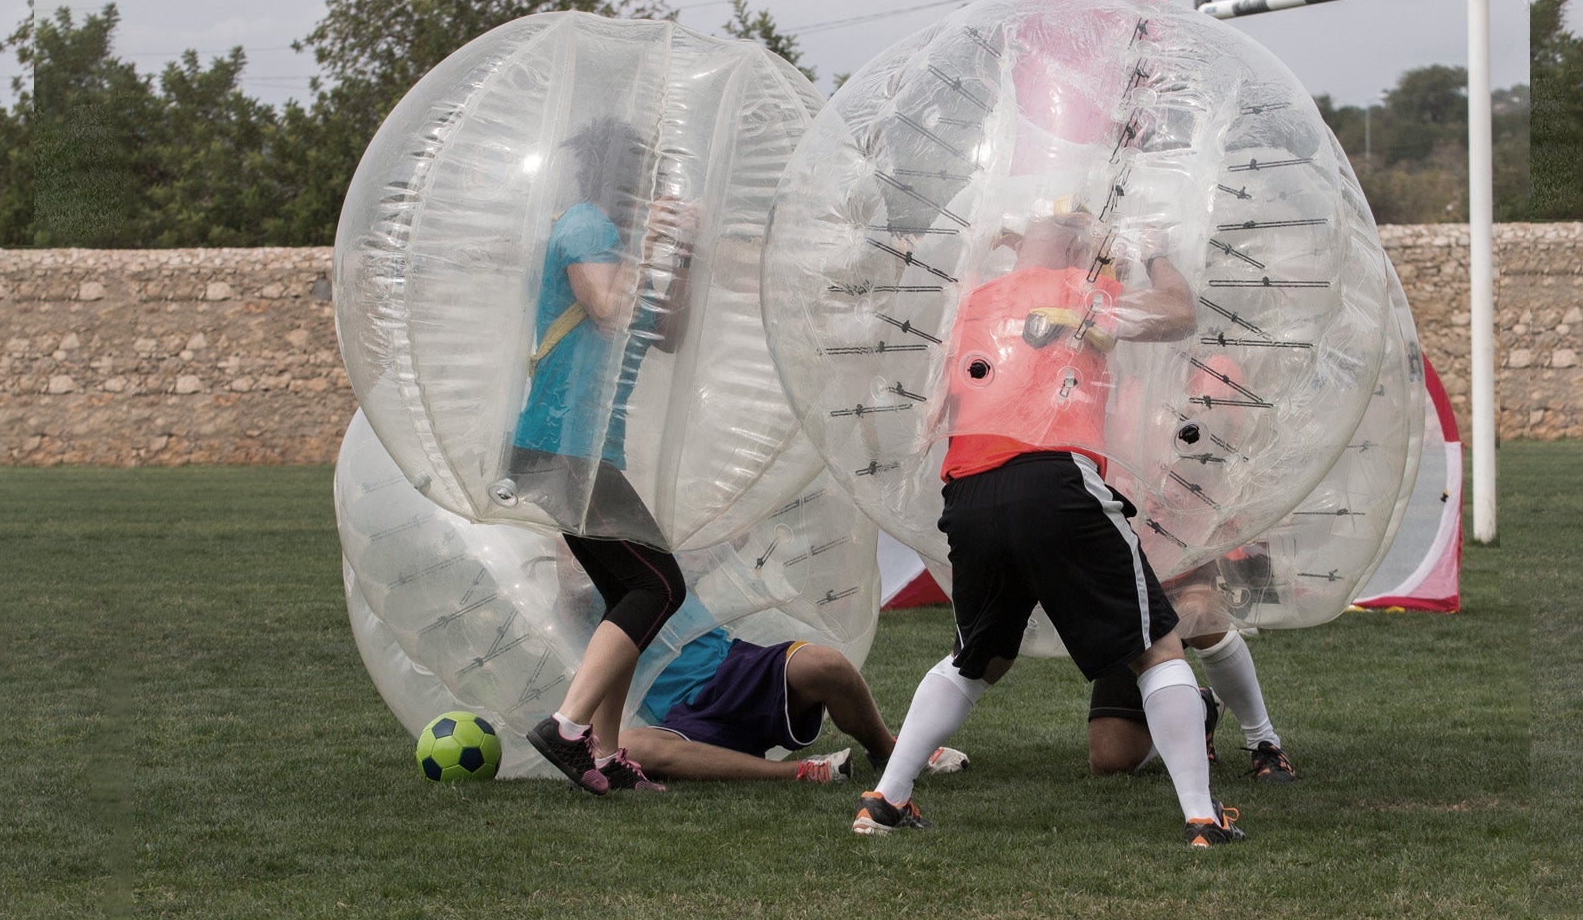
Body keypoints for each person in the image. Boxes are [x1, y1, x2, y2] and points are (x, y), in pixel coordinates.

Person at [850, 205, 1248, 847]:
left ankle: (886, 799)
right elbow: (1177, 313)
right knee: (1156, 646)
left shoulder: (977, 302)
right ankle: (1203, 817)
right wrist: (1154, 250)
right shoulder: (1078, 290)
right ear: (1076, 249)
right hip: (1053, 476)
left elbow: (930, 413)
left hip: (969, 488)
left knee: (979, 657)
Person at [514, 118, 700, 795]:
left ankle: (608, 752)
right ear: (614, 178)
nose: (649, 187)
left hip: (589, 451)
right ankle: (567, 727)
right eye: (640, 176)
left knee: (631, 590)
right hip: (559, 445)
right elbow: (606, 306)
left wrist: (681, 253)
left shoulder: (617, 239)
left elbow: (666, 333)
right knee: (660, 585)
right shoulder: (588, 225)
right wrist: (651, 240)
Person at [621, 621, 972, 784]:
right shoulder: (582, 597)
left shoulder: (660, 559)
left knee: (826, 665)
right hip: (681, 716)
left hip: (734, 668)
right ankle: (800, 772)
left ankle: (887, 751)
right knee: (628, 746)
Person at [1085, 549, 1297, 782]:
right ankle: (1201, 711)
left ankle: (1264, 741)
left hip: (1188, 566)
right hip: (1125, 586)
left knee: (1200, 613)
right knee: (1110, 762)